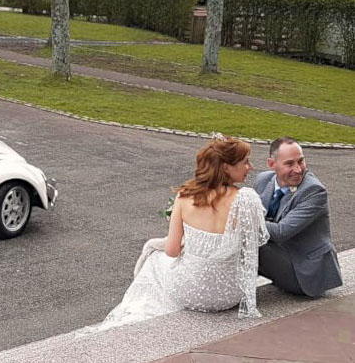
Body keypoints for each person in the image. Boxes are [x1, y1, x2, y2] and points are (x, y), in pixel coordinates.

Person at [83, 134, 269, 333]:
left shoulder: (185, 196)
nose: (250, 167)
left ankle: (135, 307)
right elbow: (251, 249)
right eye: (245, 162)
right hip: (230, 294)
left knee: (154, 258)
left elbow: (172, 250)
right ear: (225, 167)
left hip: (189, 293)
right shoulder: (247, 200)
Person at [253, 137, 342, 297]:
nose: (298, 169)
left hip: (306, 271)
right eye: (289, 164)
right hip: (281, 257)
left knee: (252, 240)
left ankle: (232, 294)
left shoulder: (314, 191)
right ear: (272, 164)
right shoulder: (263, 180)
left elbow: (281, 232)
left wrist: (244, 218)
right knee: (241, 233)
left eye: (301, 161)